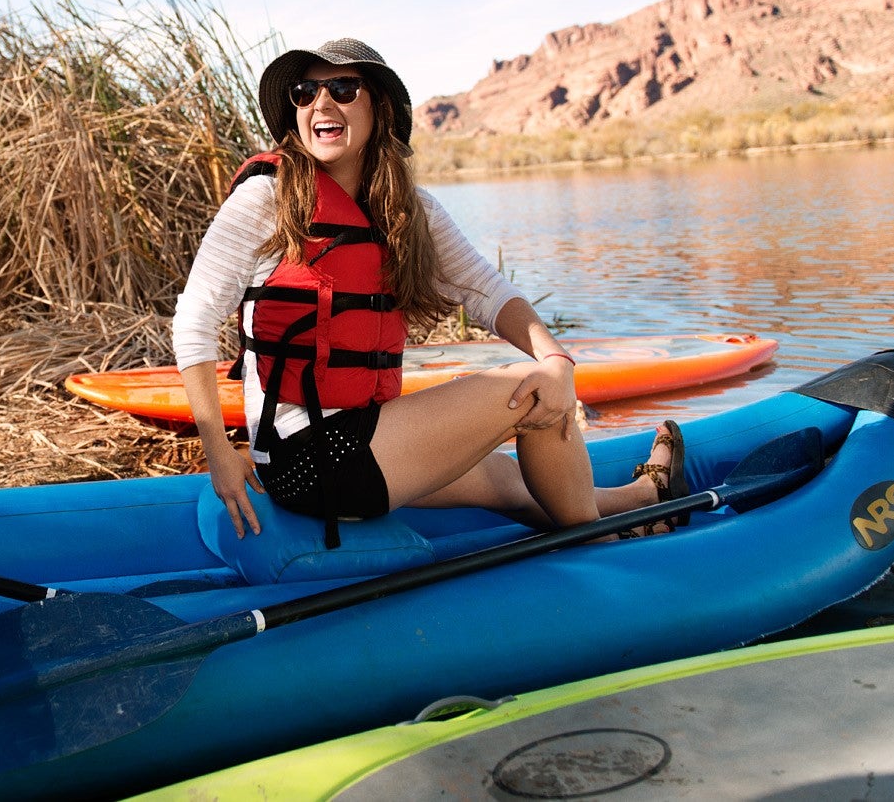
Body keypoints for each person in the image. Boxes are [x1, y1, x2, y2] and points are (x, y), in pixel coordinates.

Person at [172, 38, 686, 545]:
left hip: (366, 433)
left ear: (380, 107)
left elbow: (487, 290)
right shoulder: (267, 197)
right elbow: (193, 320)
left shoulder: (411, 211)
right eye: (306, 92)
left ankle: (645, 496)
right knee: (534, 388)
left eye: (343, 89)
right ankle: (600, 542)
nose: (321, 103)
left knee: (502, 478)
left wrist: (556, 355)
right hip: (309, 460)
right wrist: (217, 449)